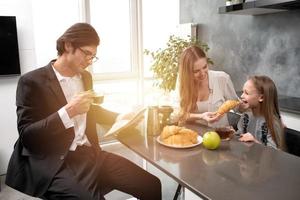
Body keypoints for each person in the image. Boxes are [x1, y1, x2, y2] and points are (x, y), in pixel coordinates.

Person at [5, 23, 161, 200]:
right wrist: (68, 111)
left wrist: (121, 117)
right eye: (87, 53)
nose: (89, 61)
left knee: (151, 184)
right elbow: (27, 136)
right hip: (57, 160)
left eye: (93, 57)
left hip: (89, 153)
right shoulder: (31, 81)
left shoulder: (85, 77)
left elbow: (91, 111)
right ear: (68, 45)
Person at [177, 45, 239, 127]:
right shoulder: (182, 82)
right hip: (195, 136)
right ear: (187, 73)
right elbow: (178, 113)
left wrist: (246, 104)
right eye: (196, 71)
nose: (202, 73)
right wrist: (201, 116)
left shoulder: (222, 78)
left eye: (205, 67)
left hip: (220, 135)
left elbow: (237, 107)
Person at [237, 75, 286, 151]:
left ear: (261, 98)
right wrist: (233, 134)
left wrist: (254, 142)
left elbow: (274, 153)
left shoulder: (272, 122)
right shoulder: (246, 116)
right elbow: (240, 135)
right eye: (242, 92)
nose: (241, 96)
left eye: (246, 93)